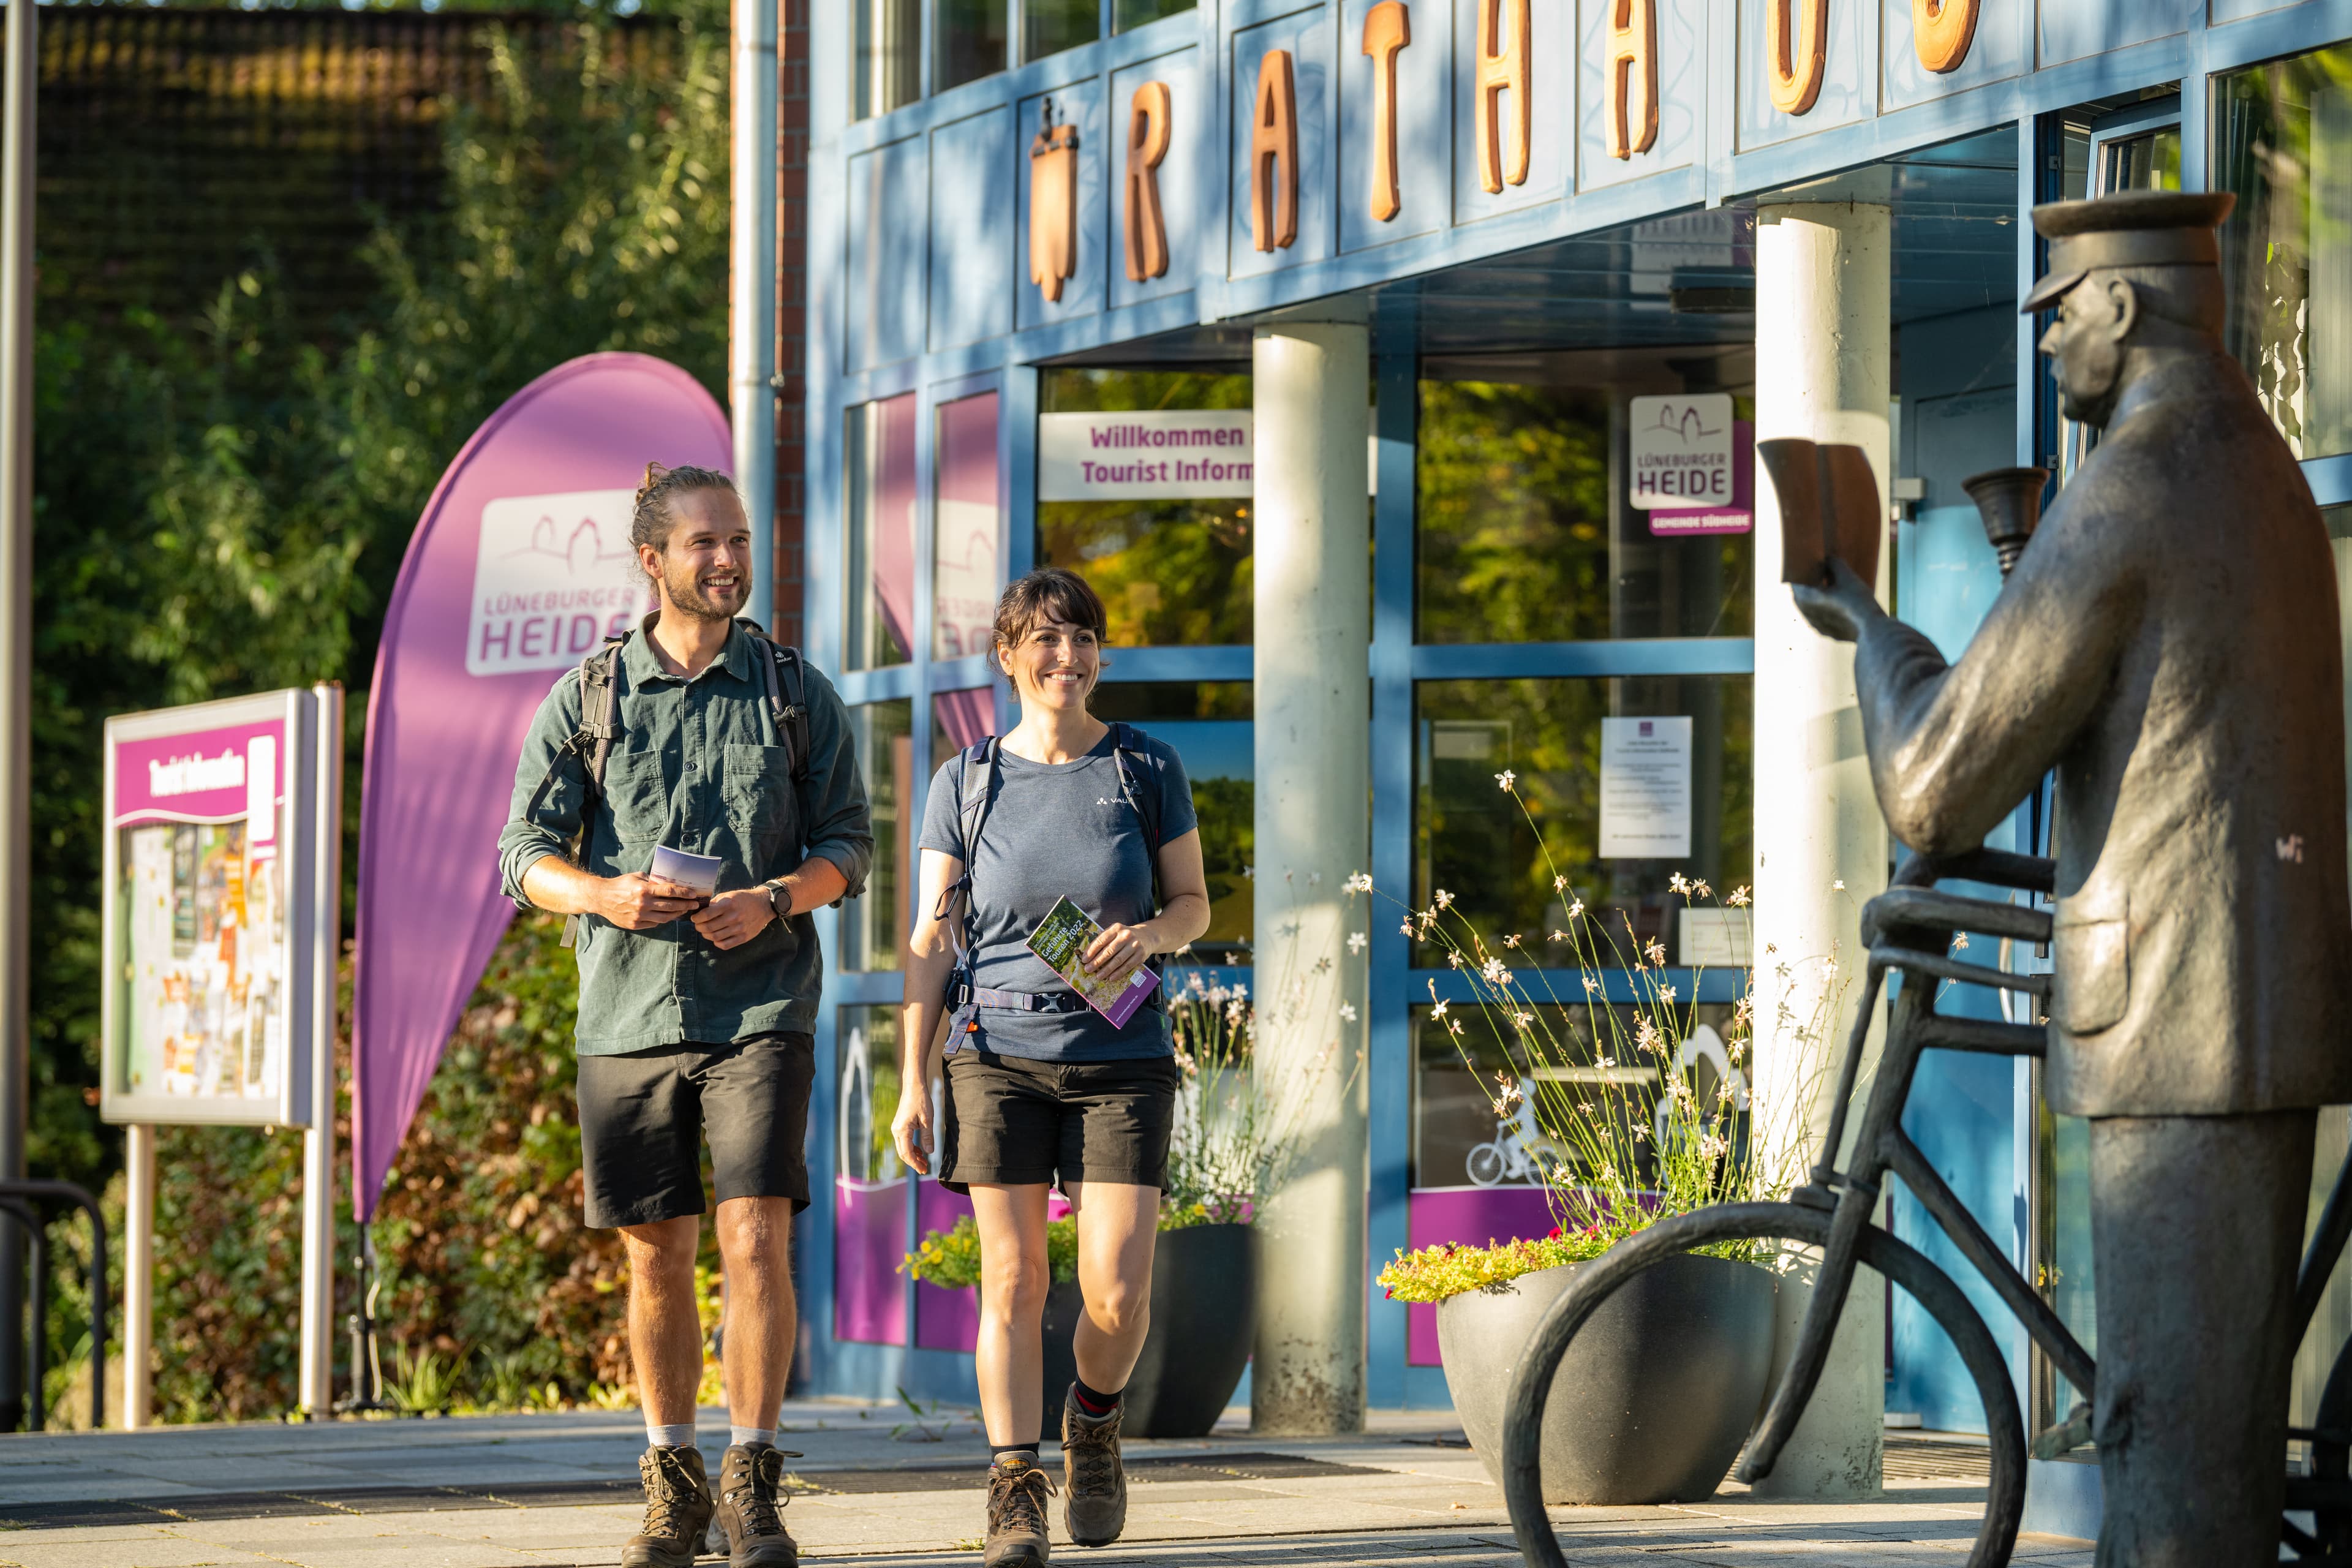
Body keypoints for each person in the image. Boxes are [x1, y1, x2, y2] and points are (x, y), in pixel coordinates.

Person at [1792, 190, 2352, 1566]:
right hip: (2233, 998)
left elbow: (1933, 777)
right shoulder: (2252, 462)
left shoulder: (2139, 482)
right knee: (2188, 1441)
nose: (2041, 341)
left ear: (2119, 305)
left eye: (2055, 313)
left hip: (2184, 1024)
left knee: (2173, 1471)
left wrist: (1867, 621)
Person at [497, 463, 873, 1568]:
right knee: (656, 1255)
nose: (728, 561)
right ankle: (673, 1485)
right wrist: (607, 894)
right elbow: (522, 856)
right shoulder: (590, 696)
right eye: (705, 544)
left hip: (762, 1007)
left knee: (757, 1238)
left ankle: (754, 1486)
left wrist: (775, 896)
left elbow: (848, 844)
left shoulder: (795, 692)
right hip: (625, 1015)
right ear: (652, 560)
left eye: (740, 542)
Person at [891, 568, 1211, 1568]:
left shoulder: (1145, 767)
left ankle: (1094, 1423)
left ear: (1100, 655)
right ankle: (1012, 1487)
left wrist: (1152, 935)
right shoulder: (967, 781)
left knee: (1116, 1292)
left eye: (1080, 640)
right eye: (1045, 640)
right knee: (1014, 1280)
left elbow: (1195, 905)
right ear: (1008, 656)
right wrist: (911, 1080)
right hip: (997, 1057)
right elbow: (929, 942)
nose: (1064, 658)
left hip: (1122, 1057)